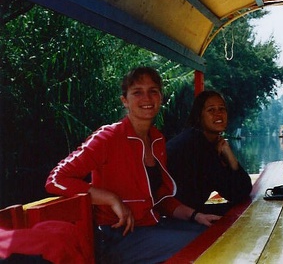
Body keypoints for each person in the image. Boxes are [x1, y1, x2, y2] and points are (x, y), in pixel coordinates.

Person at [45, 67, 210, 264]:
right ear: (125, 100)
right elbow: (55, 179)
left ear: (160, 97)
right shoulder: (108, 137)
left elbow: (159, 198)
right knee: (202, 243)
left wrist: (195, 215)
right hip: (115, 237)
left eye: (153, 91)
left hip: (150, 226)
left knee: (210, 232)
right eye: (137, 92)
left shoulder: (157, 139)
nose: (147, 98)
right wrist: (111, 199)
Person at [166, 90, 252, 218]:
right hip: (173, 215)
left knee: (243, 211)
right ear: (199, 116)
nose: (218, 114)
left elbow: (241, 190)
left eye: (222, 109)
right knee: (243, 215)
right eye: (211, 110)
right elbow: (237, 193)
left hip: (190, 209)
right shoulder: (195, 145)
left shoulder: (207, 142)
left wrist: (230, 157)